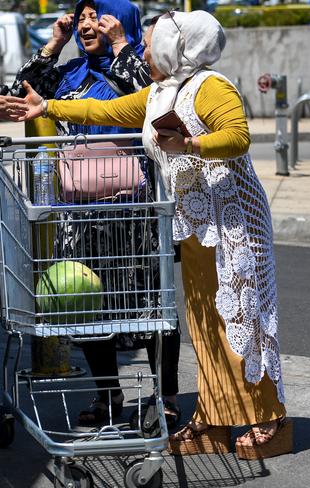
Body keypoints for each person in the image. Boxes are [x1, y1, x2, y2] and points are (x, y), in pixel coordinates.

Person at [18, 10, 290, 459]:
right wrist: (47, 107)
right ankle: (215, 418)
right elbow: (105, 110)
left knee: (244, 319)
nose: (144, 52)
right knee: (206, 323)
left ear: (174, 48)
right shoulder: (161, 92)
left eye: (150, 44)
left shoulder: (211, 86)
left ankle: (270, 418)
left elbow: (238, 136)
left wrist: (192, 144)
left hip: (235, 222)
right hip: (198, 222)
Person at [12, 0, 181, 428]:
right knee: (86, 304)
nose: (87, 25)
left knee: (150, 304)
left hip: (136, 207)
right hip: (80, 209)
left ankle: (165, 397)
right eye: (82, 17)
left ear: (119, 21)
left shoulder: (144, 63)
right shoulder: (69, 72)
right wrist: (54, 43)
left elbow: (153, 98)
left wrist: (123, 44)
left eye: (96, 17)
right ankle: (108, 395)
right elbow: (21, 94)